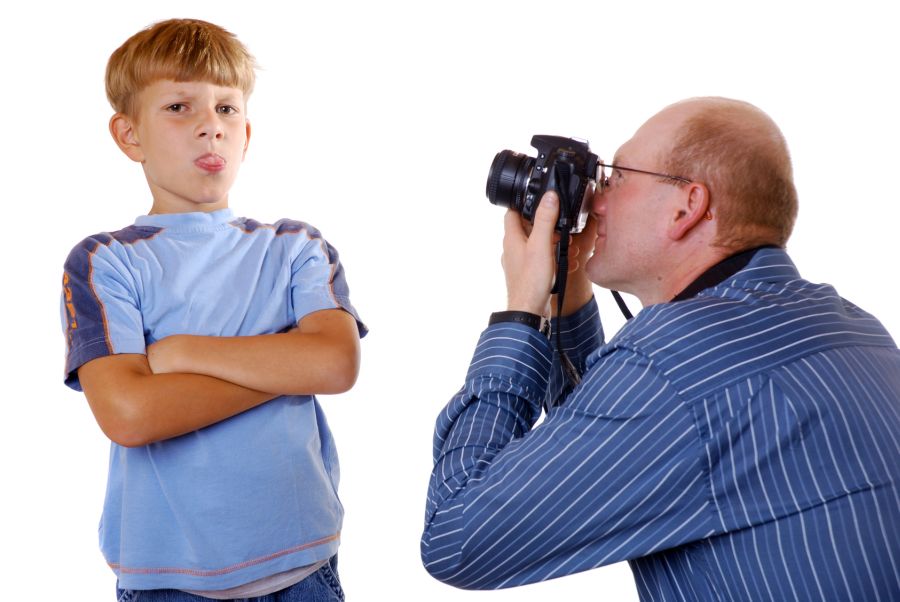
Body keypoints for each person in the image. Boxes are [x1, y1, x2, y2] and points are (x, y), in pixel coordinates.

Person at [421, 97, 900, 600]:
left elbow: (457, 538)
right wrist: (566, 293)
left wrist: (521, 312)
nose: (593, 199)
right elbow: (610, 444)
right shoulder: (853, 325)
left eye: (615, 176)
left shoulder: (670, 368)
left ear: (686, 207)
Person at [60, 19, 365, 600]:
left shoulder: (295, 246)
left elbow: (334, 366)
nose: (210, 128)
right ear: (129, 136)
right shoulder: (104, 261)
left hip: (303, 569)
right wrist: (283, 364)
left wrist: (179, 355)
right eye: (179, 107)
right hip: (166, 578)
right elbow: (130, 414)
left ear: (247, 133)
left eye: (227, 110)